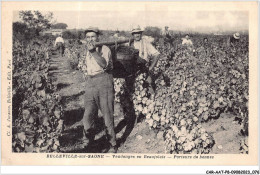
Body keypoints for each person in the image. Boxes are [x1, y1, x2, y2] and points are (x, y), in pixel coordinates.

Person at [79, 27, 117, 153]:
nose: (90, 39)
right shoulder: (87, 50)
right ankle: (88, 142)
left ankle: (112, 144)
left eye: (93, 37)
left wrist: (94, 52)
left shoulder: (104, 48)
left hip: (104, 81)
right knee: (88, 115)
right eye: (88, 37)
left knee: (107, 114)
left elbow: (104, 64)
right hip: (91, 82)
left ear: (98, 37)